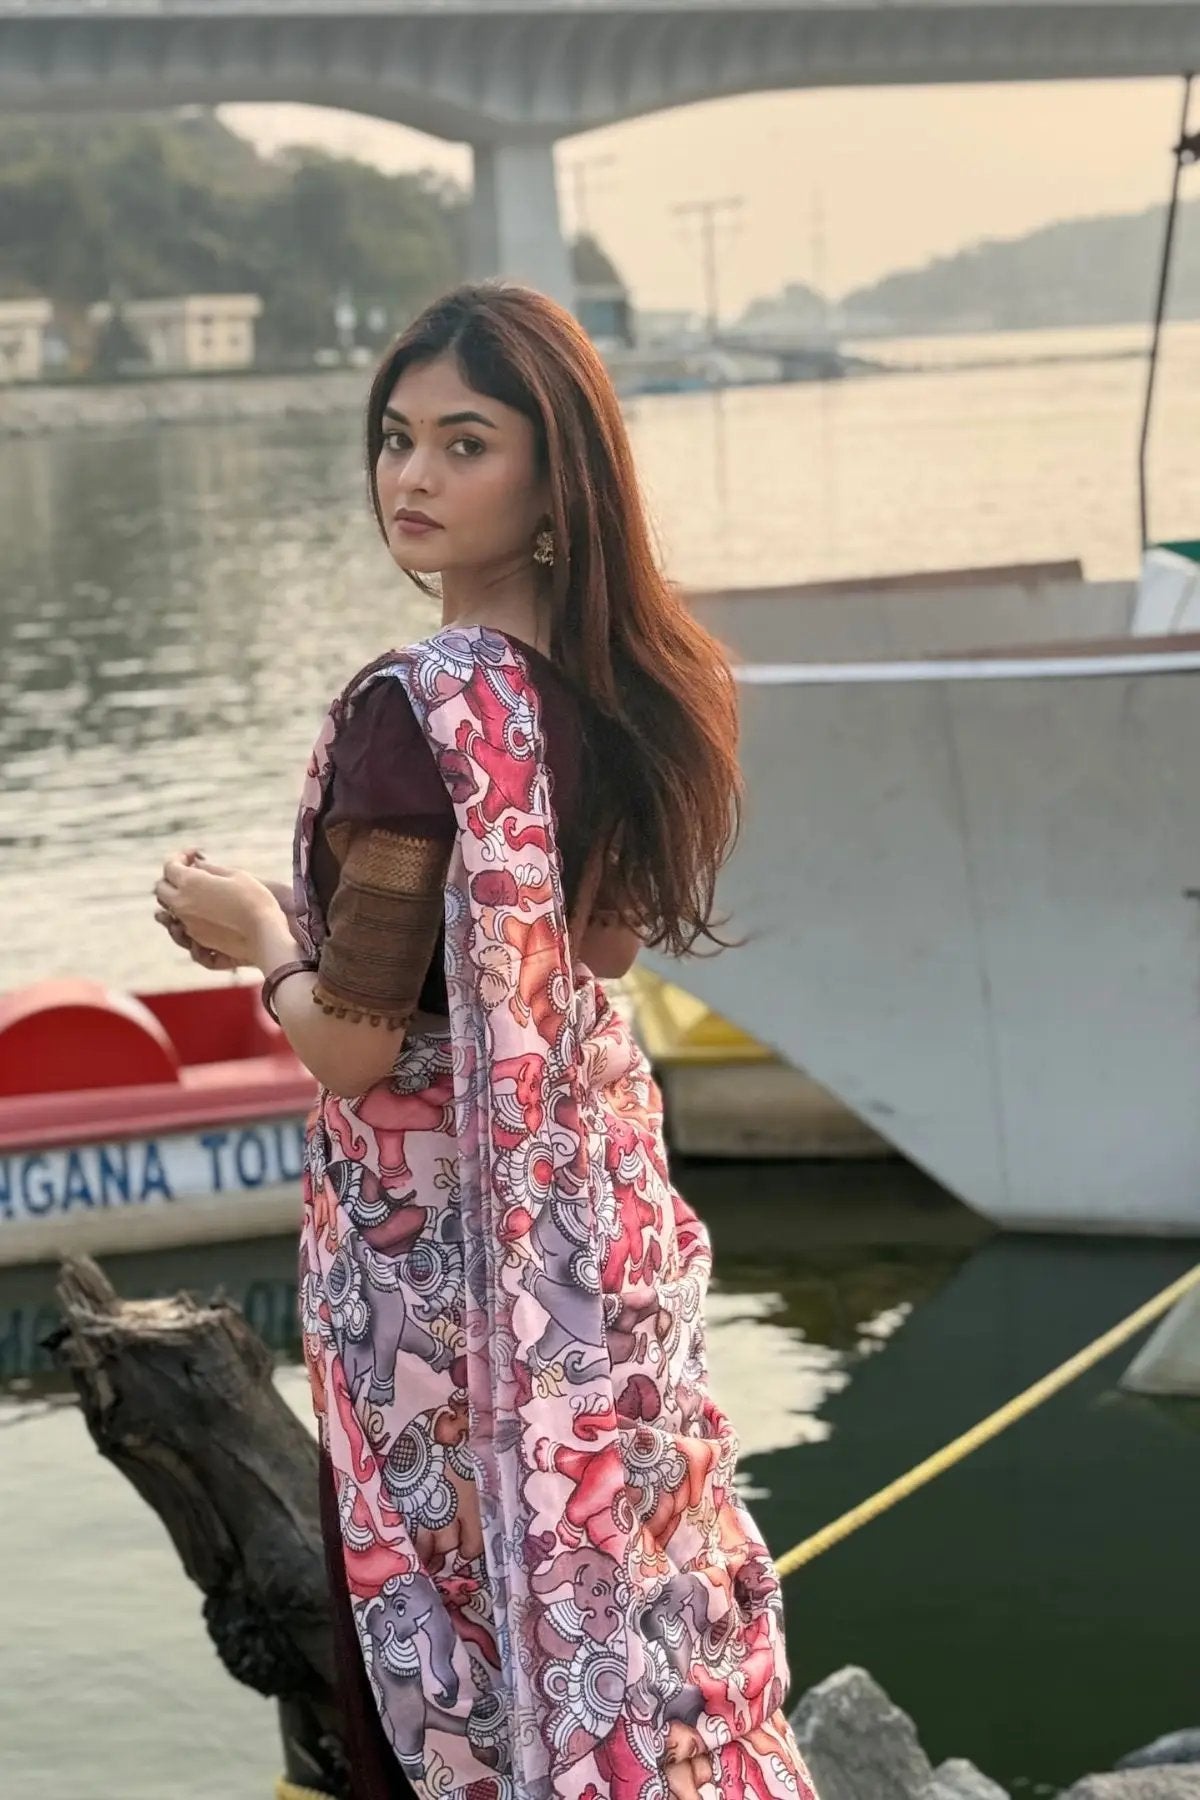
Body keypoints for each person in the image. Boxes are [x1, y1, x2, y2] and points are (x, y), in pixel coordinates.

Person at [153, 282, 818, 1800]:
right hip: (587, 1273)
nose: (413, 479)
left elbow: (353, 1048)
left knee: (440, 1656)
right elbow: (596, 954)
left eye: (466, 443)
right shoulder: (633, 693)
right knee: (616, 1619)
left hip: (435, 1300)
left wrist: (259, 935)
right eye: (396, 439)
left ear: (552, 477)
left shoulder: (416, 717)